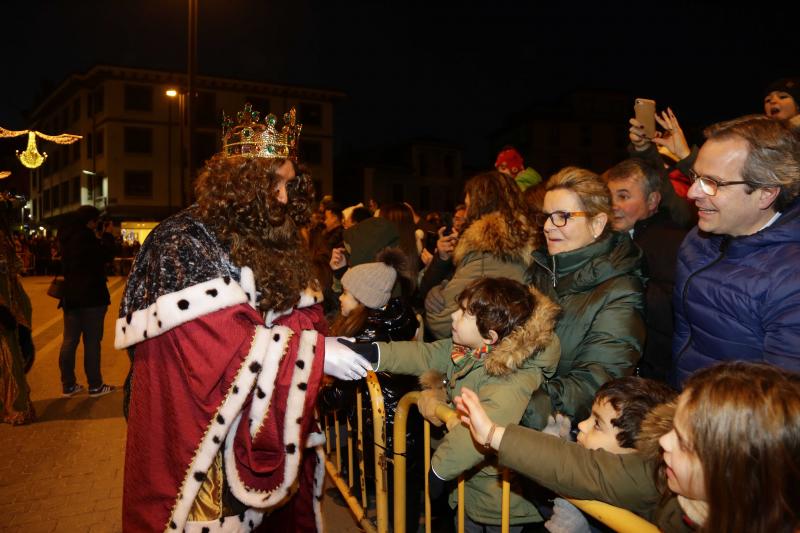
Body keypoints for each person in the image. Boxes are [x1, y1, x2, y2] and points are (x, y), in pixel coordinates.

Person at [117, 104, 370, 531]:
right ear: (242, 184)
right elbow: (214, 344)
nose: (285, 198)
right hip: (202, 439)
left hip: (260, 421)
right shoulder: (182, 239)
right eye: (276, 185)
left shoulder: (270, 237)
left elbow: (297, 316)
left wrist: (316, 339)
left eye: (290, 185)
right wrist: (314, 355)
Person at [457, 361, 800, 532]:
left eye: (684, 441)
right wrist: (493, 434)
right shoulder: (659, 478)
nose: (663, 441)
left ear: (733, 469)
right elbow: (584, 468)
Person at [340, 276, 561, 531]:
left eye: (464, 314)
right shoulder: (468, 349)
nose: (453, 317)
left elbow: (482, 429)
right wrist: (373, 353)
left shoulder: (513, 377)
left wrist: (439, 469)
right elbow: (423, 354)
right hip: (473, 487)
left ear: (490, 336)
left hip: (503, 504)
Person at [672, 115, 800, 387]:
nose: (692, 192)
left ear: (766, 193)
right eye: (695, 177)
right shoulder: (697, 240)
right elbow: (685, 335)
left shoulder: (792, 280)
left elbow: (783, 405)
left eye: (712, 182)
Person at [456, 376, 679, 531]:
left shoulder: (646, 497)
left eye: (597, 425)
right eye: (589, 417)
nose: (581, 425)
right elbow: (551, 495)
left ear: (634, 451)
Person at [523, 167, 646, 429]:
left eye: (562, 217)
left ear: (597, 223)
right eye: (546, 217)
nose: (547, 227)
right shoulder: (541, 271)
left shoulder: (621, 290)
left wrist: (516, 404)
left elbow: (596, 382)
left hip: (572, 445)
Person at [424, 171, 537, 340]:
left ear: (481, 207)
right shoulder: (514, 245)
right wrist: (443, 276)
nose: (466, 213)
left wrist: (433, 305)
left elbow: (442, 323)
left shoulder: (487, 249)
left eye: (469, 206)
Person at [604, 158, 689, 382]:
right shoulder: (610, 240)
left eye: (623, 196)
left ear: (652, 200)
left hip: (656, 373)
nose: (613, 205)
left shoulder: (673, 243)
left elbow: (671, 311)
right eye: (609, 196)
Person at [57, 205, 116, 398]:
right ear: (89, 220)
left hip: (71, 297)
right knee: (92, 342)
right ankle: (95, 386)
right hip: (92, 297)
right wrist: (107, 236)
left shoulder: (66, 238)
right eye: (96, 220)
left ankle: (68, 385)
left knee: (69, 341)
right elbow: (106, 256)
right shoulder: (86, 238)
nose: (96, 224)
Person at [0, 193, 35, 425]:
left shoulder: (5, 237)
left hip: (9, 305)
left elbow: (12, 272)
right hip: (3, 308)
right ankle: (13, 406)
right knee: (8, 356)